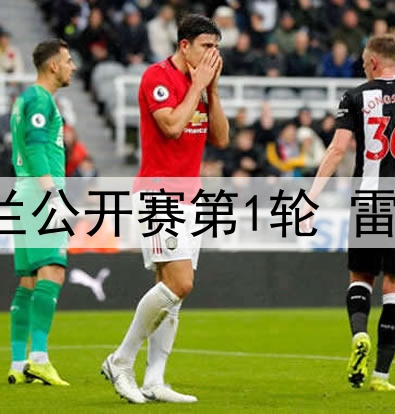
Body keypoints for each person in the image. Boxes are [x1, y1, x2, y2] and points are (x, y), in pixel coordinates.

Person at [302, 34, 395, 391]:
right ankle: (381, 376)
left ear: (371, 62)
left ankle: (359, 335)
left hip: (368, 200)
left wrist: (311, 198)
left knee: (361, 277)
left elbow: (337, 149)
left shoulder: (355, 96)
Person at [100, 14, 229, 404]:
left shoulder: (202, 85)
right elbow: (171, 126)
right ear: (184, 45)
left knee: (172, 291)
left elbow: (221, 138)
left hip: (191, 198)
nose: (213, 54)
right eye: (206, 46)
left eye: (216, 47)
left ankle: (154, 379)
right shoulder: (157, 77)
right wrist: (198, 87)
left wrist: (212, 91)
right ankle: (120, 360)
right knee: (180, 283)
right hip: (158, 195)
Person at [7, 39, 77, 386]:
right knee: (53, 272)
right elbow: (35, 148)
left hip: (23, 192)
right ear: (53, 66)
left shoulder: (23, 100)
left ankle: (18, 363)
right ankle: (39, 359)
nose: (72, 66)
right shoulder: (40, 99)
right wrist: (52, 193)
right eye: (68, 60)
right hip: (39, 194)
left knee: (29, 280)